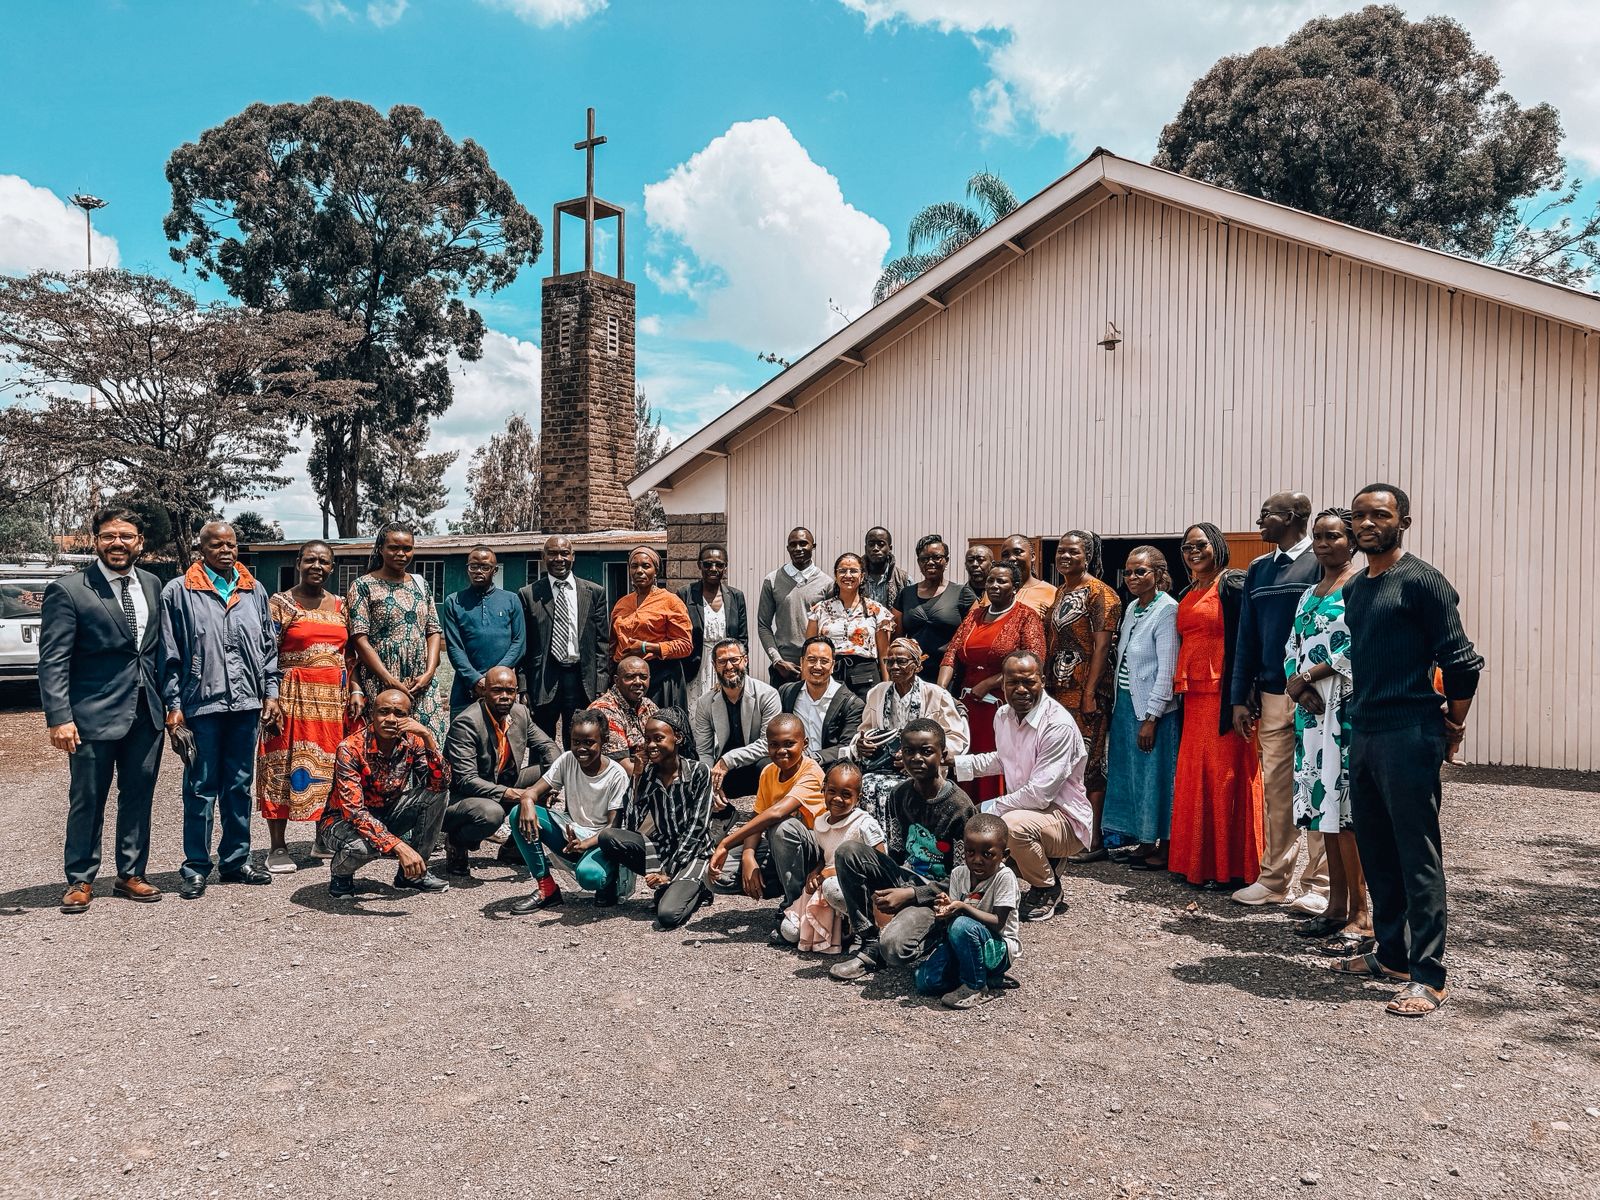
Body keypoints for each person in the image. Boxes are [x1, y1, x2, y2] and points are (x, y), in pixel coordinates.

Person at [1330, 485, 1482, 1018]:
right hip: (1365, 731)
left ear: (1404, 522)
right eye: (1359, 515)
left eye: (1380, 515)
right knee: (1377, 848)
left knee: (1416, 853)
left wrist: (1453, 725)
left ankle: (1428, 975)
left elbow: (1462, 661)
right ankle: (1392, 955)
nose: (1367, 523)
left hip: (1410, 732)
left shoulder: (1422, 582)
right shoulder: (1356, 588)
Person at [40, 508, 166, 913]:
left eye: (126, 536)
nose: (117, 543)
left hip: (146, 713)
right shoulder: (69, 590)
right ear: (96, 541)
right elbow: (53, 661)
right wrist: (59, 717)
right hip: (91, 716)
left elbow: (153, 652)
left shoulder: (152, 584)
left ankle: (131, 874)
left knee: (138, 796)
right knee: (88, 799)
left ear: (139, 542)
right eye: (109, 536)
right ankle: (80, 879)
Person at [161, 521, 281, 900]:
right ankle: (196, 867)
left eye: (231, 544)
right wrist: (174, 707)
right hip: (201, 706)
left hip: (246, 705)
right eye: (217, 545)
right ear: (202, 549)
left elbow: (268, 649)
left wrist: (271, 694)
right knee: (200, 789)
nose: (226, 551)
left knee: (239, 786)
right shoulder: (178, 591)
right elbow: (170, 655)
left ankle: (235, 861)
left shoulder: (254, 590)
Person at [1228, 491, 1328, 913]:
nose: (1259, 521)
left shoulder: (1323, 562)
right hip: (1272, 694)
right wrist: (1239, 695)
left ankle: (1320, 885)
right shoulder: (1259, 569)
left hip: (1317, 695)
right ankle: (1273, 880)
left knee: (1320, 785)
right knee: (1277, 791)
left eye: (1266, 514)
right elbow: (1246, 636)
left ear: (1292, 517)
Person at [1285, 509, 1373, 955]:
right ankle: (1335, 907)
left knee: (1348, 812)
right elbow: (1292, 645)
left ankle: (1362, 913)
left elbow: (1360, 645)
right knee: (1325, 812)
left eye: (1334, 536)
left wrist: (1310, 675)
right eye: (1318, 536)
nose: (1323, 543)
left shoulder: (1359, 587)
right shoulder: (1308, 593)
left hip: (1345, 707)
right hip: (1312, 714)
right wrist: (1296, 685)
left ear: (1352, 541)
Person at [829, 719, 976, 982]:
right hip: (906, 877)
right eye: (909, 751)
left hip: (939, 896)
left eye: (926, 751)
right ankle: (869, 942)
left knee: (894, 949)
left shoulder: (960, 808)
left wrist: (911, 895)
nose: (916, 758)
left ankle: (939, 935)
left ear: (943, 755)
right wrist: (885, 888)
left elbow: (961, 881)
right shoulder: (899, 795)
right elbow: (897, 852)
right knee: (848, 852)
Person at [953, 651, 1089, 923]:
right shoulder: (1003, 715)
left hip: (1066, 819)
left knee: (1008, 826)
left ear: (1042, 681)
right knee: (997, 822)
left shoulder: (1057, 725)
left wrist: (988, 808)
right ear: (1002, 683)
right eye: (1013, 682)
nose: (1021, 689)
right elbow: (1004, 759)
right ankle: (1040, 860)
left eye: (1029, 682)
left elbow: (1039, 794)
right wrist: (954, 764)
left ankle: (1046, 887)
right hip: (1033, 813)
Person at [1166, 525, 1264, 887]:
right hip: (1194, 696)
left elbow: (1248, 639)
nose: (1193, 551)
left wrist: (1243, 698)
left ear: (1218, 546)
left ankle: (1230, 869)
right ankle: (1197, 863)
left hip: (1225, 696)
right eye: (1187, 546)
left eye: (1200, 544)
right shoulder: (1188, 590)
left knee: (1225, 777)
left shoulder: (1233, 583)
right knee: (1196, 776)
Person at [257, 540, 363, 874]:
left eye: (324, 561)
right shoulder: (281, 603)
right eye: (311, 560)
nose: (317, 566)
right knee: (282, 765)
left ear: (332, 567)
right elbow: (266, 653)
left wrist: (355, 688)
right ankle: (277, 846)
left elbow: (350, 655)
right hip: (292, 697)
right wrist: (270, 698)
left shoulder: (342, 605)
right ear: (298, 563)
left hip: (333, 700)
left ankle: (323, 837)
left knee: (331, 768)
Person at [321, 688, 451, 898]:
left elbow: (440, 785)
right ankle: (340, 873)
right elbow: (354, 812)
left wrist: (428, 738)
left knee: (437, 796)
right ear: (372, 715)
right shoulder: (350, 748)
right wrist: (399, 846)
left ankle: (413, 875)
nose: (391, 719)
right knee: (364, 847)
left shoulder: (413, 741)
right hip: (341, 822)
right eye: (383, 712)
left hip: (387, 812)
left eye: (399, 714)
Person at [593, 707, 714, 931]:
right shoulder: (649, 774)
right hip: (663, 847)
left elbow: (697, 828)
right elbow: (632, 826)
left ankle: (699, 888)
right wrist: (637, 778)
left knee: (668, 916)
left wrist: (667, 871)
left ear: (678, 738)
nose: (650, 745)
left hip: (693, 854)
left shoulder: (699, 772)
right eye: (647, 739)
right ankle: (669, 885)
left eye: (658, 738)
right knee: (609, 837)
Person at [937, 561, 1046, 804]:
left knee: (994, 762)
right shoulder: (975, 615)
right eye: (990, 581)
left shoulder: (1026, 617)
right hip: (967, 705)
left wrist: (988, 684)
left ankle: (996, 816)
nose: (994, 585)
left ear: (1015, 586)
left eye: (1002, 581)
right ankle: (968, 814)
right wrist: (941, 690)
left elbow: (1034, 661)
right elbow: (952, 652)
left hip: (1003, 704)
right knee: (966, 761)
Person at [507, 708, 636, 914]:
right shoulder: (567, 759)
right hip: (571, 836)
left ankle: (608, 881)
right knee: (517, 814)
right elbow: (533, 791)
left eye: (589, 742)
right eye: (576, 742)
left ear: (603, 741)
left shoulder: (616, 775)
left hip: (601, 842)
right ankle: (547, 888)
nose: (581, 748)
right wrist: (528, 800)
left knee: (590, 876)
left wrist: (585, 844)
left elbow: (613, 828)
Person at [1043, 530, 1122, 861]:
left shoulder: (1102, 594)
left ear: (1087, 556)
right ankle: (1068, 832)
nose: (1064, 556)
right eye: (1061, 550)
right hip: (1060, 690)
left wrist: (1090, 693)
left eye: (1073, 551)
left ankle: (1094, 840)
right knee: (1064, 760)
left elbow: (1102, 647)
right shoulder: (1062, 591)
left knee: (1090, 761)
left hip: (1088, 690)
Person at [1101, 547, 1181, 868]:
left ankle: (1165, 844)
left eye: (1140, 571)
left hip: (1151, 710)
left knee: (1156, 776)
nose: (1132, 577)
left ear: (1158, 574)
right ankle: (1145, 840)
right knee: (1133, 776)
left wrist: (1152, 717)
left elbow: (1167, 668)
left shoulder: (1167, 610)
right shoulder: (1133, 607)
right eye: (1128, 572)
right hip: (1126, 704)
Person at [441, 665, 560, 880]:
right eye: (497, 690)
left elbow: (548, 746)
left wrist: (552, 784)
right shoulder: (467, 723)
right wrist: (519, 795)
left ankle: (514, 848)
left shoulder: (520, 713)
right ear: (483, 691)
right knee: (492, 814)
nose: (504, 696)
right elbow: (467, 780)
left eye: (510, 691)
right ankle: (457, 842)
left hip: (499, 782)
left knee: (549, 774)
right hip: (461, 799)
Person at [708, 714, 827, 919]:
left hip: (814, 854)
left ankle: (795, 906)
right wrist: (748, 856)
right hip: (781, 850)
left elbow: (776, 812)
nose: (781, 751)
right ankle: (783, 884)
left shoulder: (812, 772)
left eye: (789, 744)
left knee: (782, 827)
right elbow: (757, 817)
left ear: (805, 743)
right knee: (717, 875)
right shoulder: (768, 772)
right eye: (774, 745)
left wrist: (726, 843)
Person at [853, 637, 970, 824]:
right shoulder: (877, 692)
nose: (894, 667)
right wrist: (862, 744)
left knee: (898, 789)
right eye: (889, 661)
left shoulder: (936, 694)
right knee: (866, 784)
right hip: (883, 767)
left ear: (917, 666)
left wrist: (916, 756)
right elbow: (864, 731)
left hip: (923, 770)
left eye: (901, 661)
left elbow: (957, 739)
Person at [348, 522, 446, 744]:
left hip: (420, 680)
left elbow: (433, 630)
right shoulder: (363, 586)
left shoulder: (421, 584)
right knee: (387, 742)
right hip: (380, 676)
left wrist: (429, 672)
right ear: (380, 549)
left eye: (407, 548)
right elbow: (359, 639)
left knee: (427, 739)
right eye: (394, 547)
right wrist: (388, 679)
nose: (401, 554)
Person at [913, 813, 1022, 1009]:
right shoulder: (958, 874)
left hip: (996, 949)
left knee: (962, 925)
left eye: (987, 854)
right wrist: (946, 908)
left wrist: (962, 906)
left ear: (1004, 855)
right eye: (970, 852)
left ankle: (976, 986)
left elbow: (998, 922)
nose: (977, 860)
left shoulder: (1004, 877)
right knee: (925, 981)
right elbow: (952, 922)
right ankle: (988, 977)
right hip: (964, 945)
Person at [778, 763, 887, 954]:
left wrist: (829, 874)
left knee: (833, 888)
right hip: (825, 884)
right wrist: (815, 872)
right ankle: (841, 929)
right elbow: (825, 855)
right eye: (832, 791)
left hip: (857, 887)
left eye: (846, 794)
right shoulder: (821, 823)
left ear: (858, 798)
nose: (837, 798)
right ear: (824, 790)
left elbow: (881, 862)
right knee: (790, 932)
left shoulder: (864, 824)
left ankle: (863, 929)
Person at [519, 534, 612, 749]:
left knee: (580, 742)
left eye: (564, 553)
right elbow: (524, 645)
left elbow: (602, 643)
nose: (559, 559)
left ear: (573, 556)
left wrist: (601, 685)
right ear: (543, 557)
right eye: (552, 553)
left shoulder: (594, 592)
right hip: (543, 678)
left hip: (581, 679)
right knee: (541, 744)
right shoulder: (529, 594)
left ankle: (575, 772)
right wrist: (523, 687)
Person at [689, 637, 781, 810]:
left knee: (769, 766)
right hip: (727, 770)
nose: (729, 666)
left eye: (734, 659)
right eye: (722, 661)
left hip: (756, 762)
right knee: (697, 776)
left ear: (745, 660)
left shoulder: (767, 695)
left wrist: (728, 760)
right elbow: (704, 750)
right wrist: (710, 783)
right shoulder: (705, 702)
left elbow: (768, 743)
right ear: (714, 665)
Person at [441, 546, 526, 718]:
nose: (479, 571)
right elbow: (454, 648)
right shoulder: (454, 602)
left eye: (485, 567)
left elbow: (519, 643)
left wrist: (493, 679)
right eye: (474, 566)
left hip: (502, 690)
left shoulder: (511, 600)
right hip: (466, 689)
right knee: (463, 734)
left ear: (495, 570)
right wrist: (475, 680)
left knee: (504, 734)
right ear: (467, 569)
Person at [610, 546, 693, 710]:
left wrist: (646, 647)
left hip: (660, 678)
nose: (639, 571)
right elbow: (612, 644)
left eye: (646, 566)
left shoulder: (670, 601)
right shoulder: (622, 603)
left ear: (656, 571)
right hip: (626, 681)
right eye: (634, 566)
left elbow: (685, 645)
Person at [806, 552, 893, 698]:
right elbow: (809, 651)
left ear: (862, 576)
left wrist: (888, 688)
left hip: (866, 678)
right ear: (835, 575)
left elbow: (884, 654)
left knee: (866, 713)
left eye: (853, 571)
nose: (848, 575)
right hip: (830, 676)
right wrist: (805, 685)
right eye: (842, 571)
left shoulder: (876, 610)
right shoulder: (820, 610)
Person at [895, 535, 978, 685]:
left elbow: (973, 635)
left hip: (950, 674)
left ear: (946, 560)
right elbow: (897, 639)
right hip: (913, 674)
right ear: (918, 562)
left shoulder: (962, 593)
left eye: (936, 557)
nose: (930, 562)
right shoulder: (906, 594)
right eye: (924, 559)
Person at [756, 526, 830, 688]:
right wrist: (777, 661)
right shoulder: (772, 580)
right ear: (787, 548)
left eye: (803, 543)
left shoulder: (827, 583)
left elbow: (830, 628)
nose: (798, 548)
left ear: (813, 546)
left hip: (815, 666)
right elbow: (763, 625)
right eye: (793, 544)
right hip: (784, 668)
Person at [778, 637, 865, 767]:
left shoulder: (852, 704)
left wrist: (813, 759)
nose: (817, 666)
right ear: (802, 662)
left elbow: (847, 745)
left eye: (824, 661)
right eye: (812, 660)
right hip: (791, 766)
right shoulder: (787, 693)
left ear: (832, 666)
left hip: (830, 768)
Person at [680, 545, 748, 707]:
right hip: (696, 666)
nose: (713, 568)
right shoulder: (685, 594)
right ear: (699, 565)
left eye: (719, 564)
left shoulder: (736, 596)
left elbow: (742, 639)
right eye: (707, 564)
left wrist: (743, 672)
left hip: (726, 664)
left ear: (726, 566)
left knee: (725, 709)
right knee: (696, 711)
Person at [591, 655, 657, 770]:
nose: (638, 682)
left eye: (643, 677)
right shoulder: (605, 710)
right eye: (630, 677)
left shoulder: (647, 705)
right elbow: (625, 768)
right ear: (616, 680)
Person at [999, 535, 1057, 618]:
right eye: (1005, 555)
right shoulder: (995, 590)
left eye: (1018, 552)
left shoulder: (1051, 592)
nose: (1011, 558)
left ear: (1032, 556)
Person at [861, 526, 908, 608]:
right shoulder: (855, 577)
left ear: (890, 548)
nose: (875, 548)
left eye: (881, 544)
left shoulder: (903, 579)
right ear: (865, 548)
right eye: (871, 544)